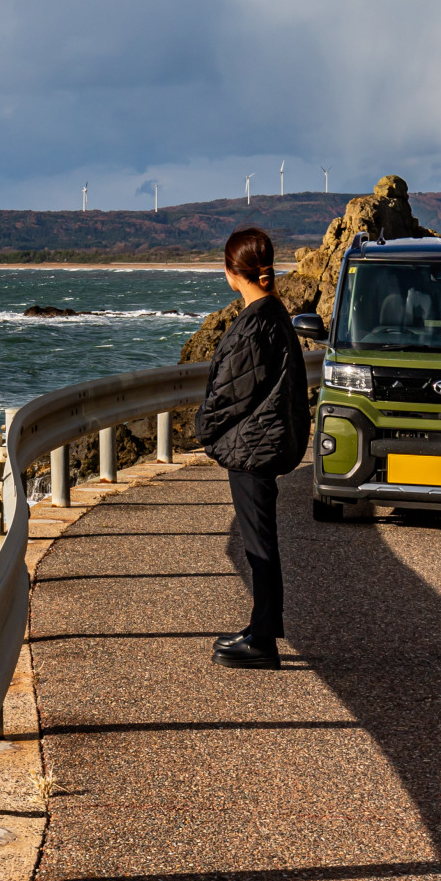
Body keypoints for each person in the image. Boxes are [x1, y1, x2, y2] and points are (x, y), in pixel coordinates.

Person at [193, 227, 312, 670]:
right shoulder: (274, 312)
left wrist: (203, 429)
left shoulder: (256, 323)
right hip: (263, 441)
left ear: (230, 273)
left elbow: (230, 392)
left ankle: (263, 641)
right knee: (258, 540)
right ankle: (261, 627)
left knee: (259, 543)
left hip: (253, 447)